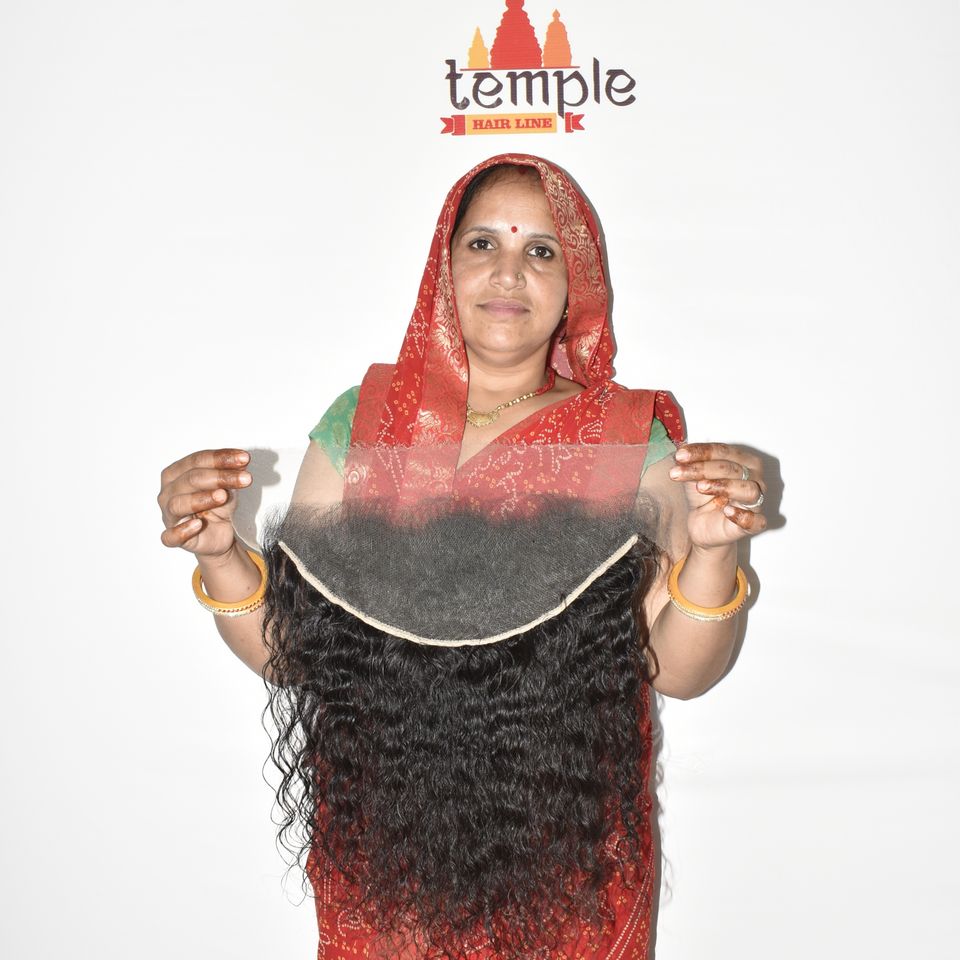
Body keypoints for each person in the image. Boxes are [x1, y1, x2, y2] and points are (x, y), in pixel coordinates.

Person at [158, 154, 766, 959]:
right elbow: (295, 655)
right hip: (386, 875)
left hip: (570, 873)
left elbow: (682, 673)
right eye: (483, 244)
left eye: (541, 250)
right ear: (444, 267)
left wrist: (716, 552)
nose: (509, 271)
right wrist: (219, 553)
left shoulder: (626, 439)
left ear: (577, 284)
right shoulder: (366, 422)